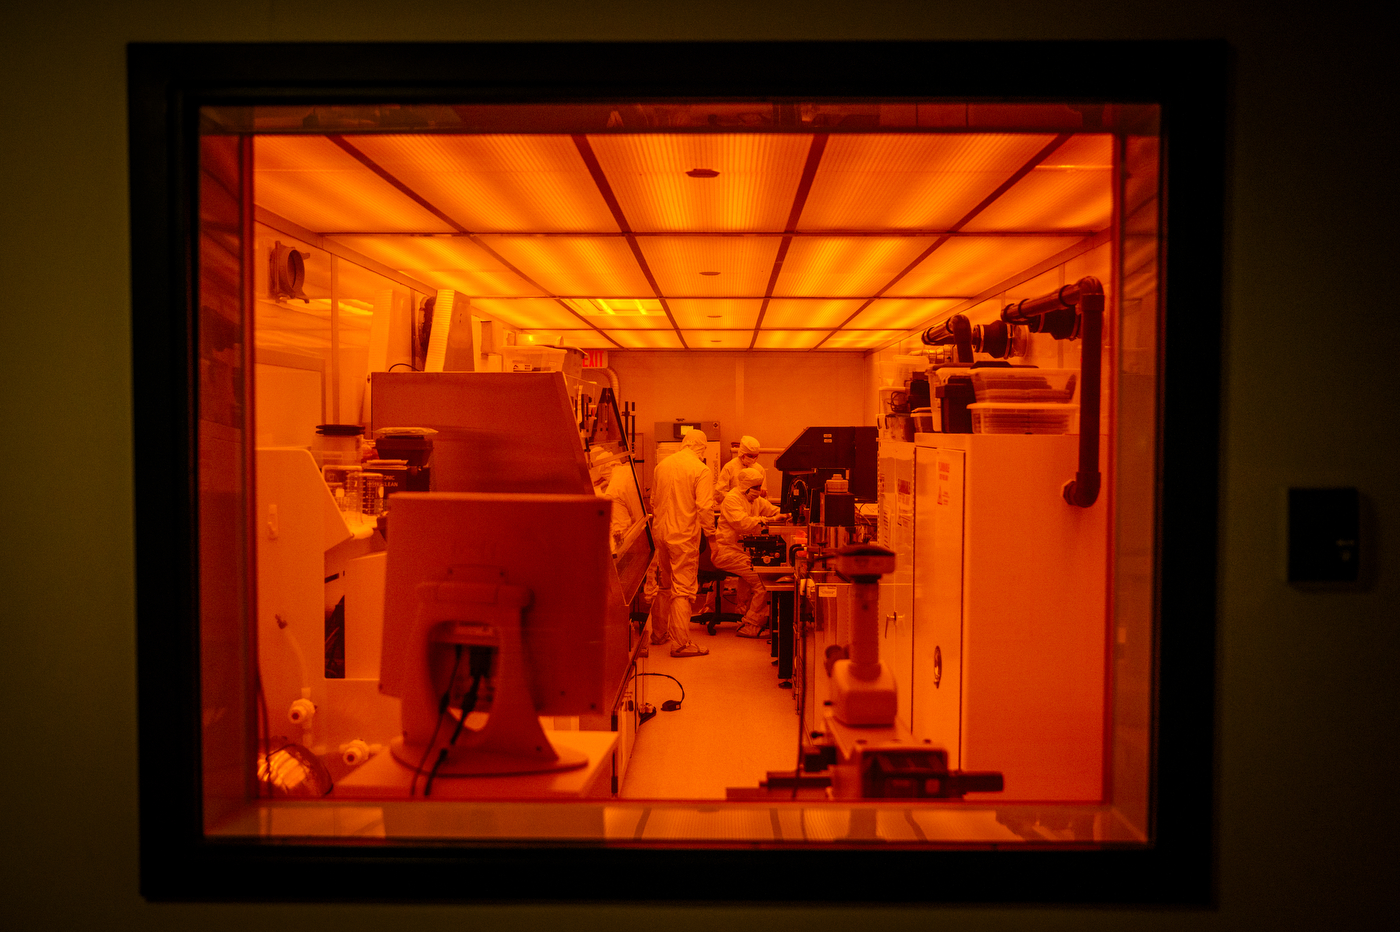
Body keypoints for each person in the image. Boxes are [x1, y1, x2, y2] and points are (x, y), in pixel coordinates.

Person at [647, 429, 715, 657]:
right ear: (702, 448)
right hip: (683, 537)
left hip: (660, 534)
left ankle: (658, 634)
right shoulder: (701, 470)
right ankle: (681, 644)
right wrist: (713, 539)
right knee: (683, 589)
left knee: (664, 585)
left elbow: (653, 501)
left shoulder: (662, 466)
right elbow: (705, 508)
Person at [711, 465, 789, 638]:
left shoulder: (754, 499)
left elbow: (772, 509)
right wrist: (770, 520)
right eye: (755, 488)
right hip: (725, 552)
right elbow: (743, 523)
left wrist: (786, 514)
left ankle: (746, 617)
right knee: (762, 581)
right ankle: (751, 625)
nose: (759, 491)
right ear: (745, 487)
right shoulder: (732, 499)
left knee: (757, 575)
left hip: (741, 551)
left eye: (759, 487)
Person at [714, 435, 761, 507]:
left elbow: (762, 498)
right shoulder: (730, 467)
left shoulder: (759, 469)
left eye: (755, 456)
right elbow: (719, 494)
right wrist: (739, 498)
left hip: (753, 510)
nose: (753, 459)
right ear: (742, 453)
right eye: (750, 456)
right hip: (732, 507)